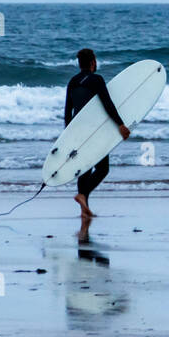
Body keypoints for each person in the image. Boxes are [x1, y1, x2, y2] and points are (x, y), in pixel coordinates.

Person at [64, 49, 129, 217]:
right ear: (93, 62)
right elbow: (107, 104)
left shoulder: (73, 81)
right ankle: (82, 196)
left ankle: (84, 209)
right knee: (103, 168)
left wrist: (68, 136)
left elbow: (67, 112)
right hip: (94, 131)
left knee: (84, 168)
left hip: (77, 130)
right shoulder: (97, 80)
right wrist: (120, 124)